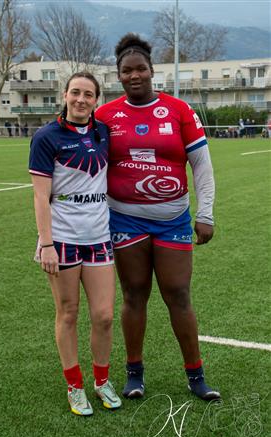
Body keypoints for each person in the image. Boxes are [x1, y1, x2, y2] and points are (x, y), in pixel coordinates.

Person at [96, 33, 220, 401]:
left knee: (178, 294)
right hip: (125, 220)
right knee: (134, 295)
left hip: (173, 219)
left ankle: (196, 376)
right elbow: (90, 166)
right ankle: (134, 374)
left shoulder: (179, 110)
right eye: (126, 71)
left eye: (140, 69)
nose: (134, 75)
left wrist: (207, 213)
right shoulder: (106, 115)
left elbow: (201, 165)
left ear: (152, 70)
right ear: (118, 76)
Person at [29, 72, 121, 416]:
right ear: (65, 95)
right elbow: (40, 197)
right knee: (68, 313)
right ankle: (74, 385)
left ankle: (101, 380)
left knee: (104, 315)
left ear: (97, 99)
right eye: (76, 93)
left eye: (89, 94)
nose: (81, 99)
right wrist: (47, 244)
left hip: (99, 236)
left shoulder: (103, 132)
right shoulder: (46, 137)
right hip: (63, 238)